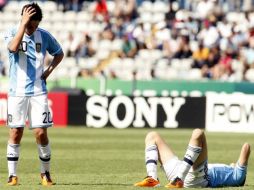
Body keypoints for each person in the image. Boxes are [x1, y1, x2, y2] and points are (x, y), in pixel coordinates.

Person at [3, 2, 64, 186]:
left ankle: (45, 174)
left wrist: (48, 72)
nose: (32, 28)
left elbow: (59, 54)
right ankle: (12, 176)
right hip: (17, 92)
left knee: (40, 132)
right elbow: (12, 48)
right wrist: (23, 25)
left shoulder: (44, 36)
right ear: (23, 20)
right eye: (30, 24)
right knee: (15, 132)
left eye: (35, 25)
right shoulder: (13, 32)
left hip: (38, 91)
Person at [134, 128, 251, 188]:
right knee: (152, 136)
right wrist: (232, 165)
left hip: (196, 178)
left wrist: (238, 166)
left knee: (198, 133)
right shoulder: (231, 173)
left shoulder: (238, 177)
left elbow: (246, 147)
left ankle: (178, 179)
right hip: (180, 169)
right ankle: (152, 179)